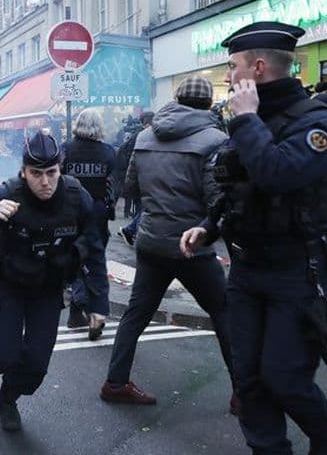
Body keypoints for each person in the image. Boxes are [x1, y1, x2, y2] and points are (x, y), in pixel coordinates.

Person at [181, 21, 327, 453]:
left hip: (295, 272)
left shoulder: (318, 121)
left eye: (233, 68)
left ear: (258, 68)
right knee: (248, 378)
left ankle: (326, 438)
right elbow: (239, 185)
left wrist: (246, 118)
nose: (227, 78)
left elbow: (278, 173)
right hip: (247, 272)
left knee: (284, 377)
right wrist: (208, 226)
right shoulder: (245, 121)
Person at [0, 129, 105, 432]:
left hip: (47, 287)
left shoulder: (76, 197)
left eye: (51, 172)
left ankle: (8, 398)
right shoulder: (8, 192)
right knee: (5, 353)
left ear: (60, 168)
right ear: (24, 171)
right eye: (36, 173)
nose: (45, 182)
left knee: (36, 365)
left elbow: (94, 249)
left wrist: (97, 303)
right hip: (9, 282)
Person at [100, 76, 236, 412]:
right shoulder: (216, 139)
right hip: (193, 245)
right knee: (224, 314)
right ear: (207, 104)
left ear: (175, 99)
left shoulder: (146, 136)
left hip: (151, 240)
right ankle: (245, 392)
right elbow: (217, 198)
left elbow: (131, 188)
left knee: (136, 314)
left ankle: (115, 382)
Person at [61, 109, 115, 340]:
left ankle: (78, 307)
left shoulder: (66, 149)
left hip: (71, 211)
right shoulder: (108, 152)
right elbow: (115, 183)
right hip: (97, 211)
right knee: (96, 261)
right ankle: (94, 311)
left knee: (75, 259)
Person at [116, 112, 154, 246]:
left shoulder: (138, 135)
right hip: (142, 178)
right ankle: (133, 232)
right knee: (143, 208)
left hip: (138, 178)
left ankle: (132, 230)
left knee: (143, 208)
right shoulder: (143, 136)